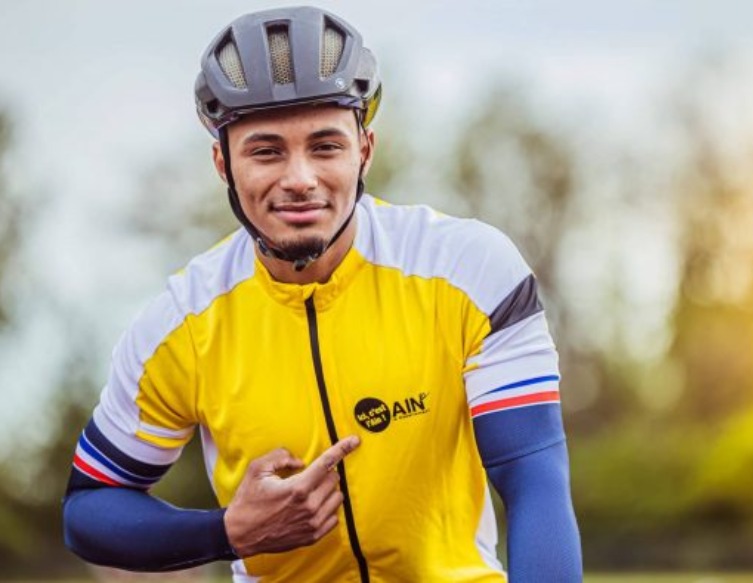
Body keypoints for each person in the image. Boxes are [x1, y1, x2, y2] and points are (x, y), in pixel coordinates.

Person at [62, 6, 583, 582]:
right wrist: (227, 531)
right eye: (266, 151)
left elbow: (533, 478)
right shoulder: (182, 323)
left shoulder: (469, 269)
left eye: (326, 146)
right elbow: (89, 505)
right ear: (223, 164)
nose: (300, 179)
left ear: (365, 150)